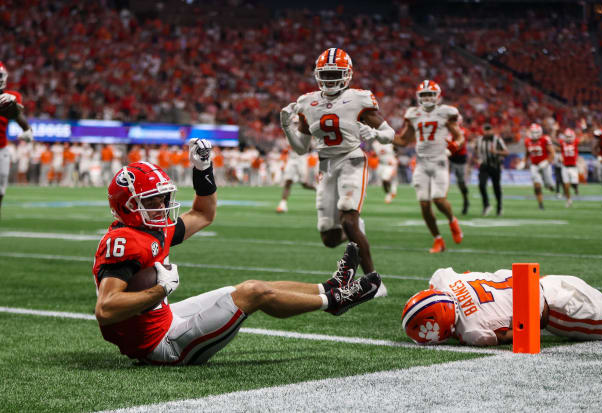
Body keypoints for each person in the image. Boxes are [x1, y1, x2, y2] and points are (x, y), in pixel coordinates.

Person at [92, 138, 383, 365]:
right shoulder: (124, 242)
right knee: (253, 292)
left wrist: (203, 170)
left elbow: (203, 214)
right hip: (160, 346)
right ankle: (333, 301)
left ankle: (329, 286)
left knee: (244, 289)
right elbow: (105, 310)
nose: (162, 205)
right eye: (153, 200)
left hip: (163, 319)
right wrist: (159, 291)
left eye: (162, 197)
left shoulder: (150, 228)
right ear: (128, 206)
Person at [280, 48, 395, 276]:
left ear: (347, 74)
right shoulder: (307, 102)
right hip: (325, 165)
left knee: (348, 217)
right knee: (329, 237)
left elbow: (389, 133)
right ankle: (353, 229)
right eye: (326, 74)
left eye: (335, 74)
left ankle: (373, 280)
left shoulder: (358, 98)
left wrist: (376, 135)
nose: (330, 79)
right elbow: (301, 148)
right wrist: (287, 127)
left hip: (351, 159)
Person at [402, 267, 602, 346]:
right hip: (549, 281)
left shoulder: (472, 331)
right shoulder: (445, 279)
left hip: (563, 313)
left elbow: (515, 334)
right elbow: (440, 279)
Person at [393, 80, 464, 253]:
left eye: (430, 94)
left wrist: (457, 144)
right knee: (424, 204)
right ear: (418, 97)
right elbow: (403, 140)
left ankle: (452, 220)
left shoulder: (444, 113)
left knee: (439, 199)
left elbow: (459, 136)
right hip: (421, 162)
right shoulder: (413, 114)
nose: (427, 98)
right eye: (424, 94)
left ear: (437, 96)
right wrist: (381, 133)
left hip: (439, 160)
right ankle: (438, 239)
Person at [0, 61, 34, 219]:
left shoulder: (10, 96)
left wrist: (27, 129)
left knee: (0, 191)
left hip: (1, 149)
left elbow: (16, 114)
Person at [474, 124, 508, 216]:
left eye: (489, 130)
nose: (488, 132)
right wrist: (478, 159)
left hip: (495, 165)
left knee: (496, 187)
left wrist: (496, 152)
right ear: (483, 131)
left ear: (492, 130)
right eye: (486, 130)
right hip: (484, 165)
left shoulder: (497, 139)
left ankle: (499, 207)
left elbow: (506, 152)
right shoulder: (479, 140)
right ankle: (486, 205)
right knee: (481, 185)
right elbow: (476, 149)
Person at [276, 144, 316, 213]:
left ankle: (318, 189)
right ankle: (282, 204)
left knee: (304, 184)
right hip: (291, 158)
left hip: (302, 158)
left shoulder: (305, 133)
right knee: (288, 182)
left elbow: (310, 147)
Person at [524, 123, 555, 210]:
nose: (533, 134)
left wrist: (546, 162)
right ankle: (540, 204)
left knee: (549, 184)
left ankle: (550, 186)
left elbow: (552, 153)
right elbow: (527, 153)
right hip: (534, 166)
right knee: (537, 186)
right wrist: (524, 162)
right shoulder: (527, 141)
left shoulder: (545, 139)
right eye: (532, 132)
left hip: (545, 165)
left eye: (535, 132)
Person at [448, 118, 469, 214]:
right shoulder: (447, 130)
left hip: (460, 157)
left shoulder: (462, 130)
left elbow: (460, 144)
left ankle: (466, 200)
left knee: (461, 181)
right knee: (442, 178)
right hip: (449, 157)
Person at [556, 128, 580, 207]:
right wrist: (555, 130)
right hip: (565, 167)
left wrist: (583, 128)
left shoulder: (575, 142)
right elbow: (554, 140)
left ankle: (576, 188)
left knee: (574, 183)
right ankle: (569, 200)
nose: (569, 138)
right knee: (566, 185)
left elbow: (583, 138)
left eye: (570, 136)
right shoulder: (562, 143)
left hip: (573, 167)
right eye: (567, 136)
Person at [371, 138, 398, 204]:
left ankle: (388, 194)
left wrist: (394, 161)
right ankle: (392, 189)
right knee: (384, 181)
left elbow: (396, 151)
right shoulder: (375, 144)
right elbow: (375, 154)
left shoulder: (390, 143)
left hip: (389, 164)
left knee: (385, 179)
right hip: (380, 165)